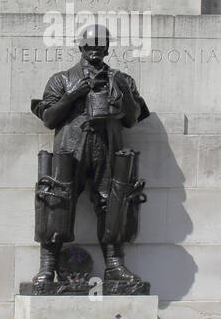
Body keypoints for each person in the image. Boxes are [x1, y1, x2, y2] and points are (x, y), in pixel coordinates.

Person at [30, 24, 150, 287]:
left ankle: (114, 265)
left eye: (100, 44)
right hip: (70, 149)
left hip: (107, 147)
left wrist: (125, 93)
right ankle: (47, 268)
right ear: (80, 47)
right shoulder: (61, 79)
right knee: (56, 202)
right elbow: (49, 119)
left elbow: (131, 120)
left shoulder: (122, 79)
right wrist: (74, 95)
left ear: (107, 47)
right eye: (90, 44)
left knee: (113, 204)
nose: (95, 49)